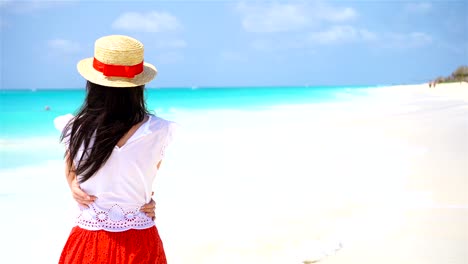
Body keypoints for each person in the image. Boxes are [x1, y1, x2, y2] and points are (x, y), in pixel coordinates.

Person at [54, 35, 176, 264]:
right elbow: (143, 180)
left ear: (93, 84)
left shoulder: (73, 128)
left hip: (88, 240)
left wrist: (73, 186)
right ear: (139, 86)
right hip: (140, 239)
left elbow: (72, 171)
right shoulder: (159, 131)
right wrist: (143, 201)